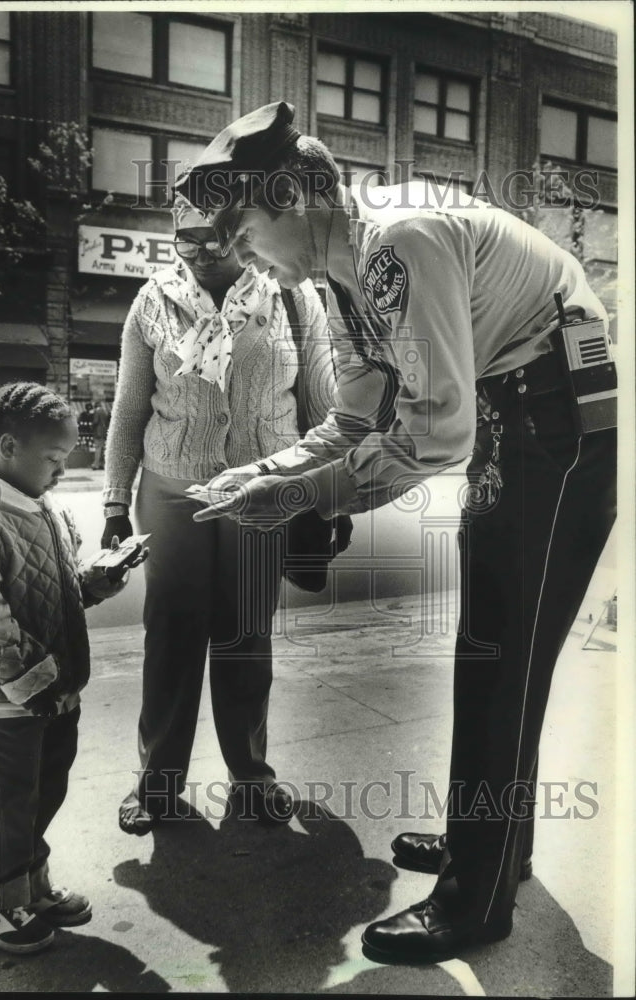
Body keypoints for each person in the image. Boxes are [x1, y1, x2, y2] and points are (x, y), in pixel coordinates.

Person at [175, 102, 617, 961]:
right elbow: (358, 417)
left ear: (295, 199)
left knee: (500, 659)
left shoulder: (395, 245)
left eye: (248, 234)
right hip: (519, 412)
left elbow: (434, 436)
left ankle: (475, 899)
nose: (248, 259)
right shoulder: (346, 274)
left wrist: (309, 501)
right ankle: (489, 848)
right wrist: (269, 475)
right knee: (493, 654)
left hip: (558, 422)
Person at [101, 194, 342, 836]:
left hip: (262, 494)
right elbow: (129, 413)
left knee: (246, 638)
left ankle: (251, 778)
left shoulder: (293, 298)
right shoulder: (151, 302)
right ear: (172, 238)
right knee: (171, 637)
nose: (204, 251)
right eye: (188, 239)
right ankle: (158, 786)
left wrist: (325, 495)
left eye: (218, 237)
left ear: (242, 233)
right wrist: (113, 503)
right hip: (173, 492)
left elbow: (321, 405)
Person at [0, 381, 147, 955]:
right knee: (9, 802)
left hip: (49, 689)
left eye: (65, 459)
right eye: (52, 459)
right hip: (6, 697)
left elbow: (56, 586)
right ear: (7, 446)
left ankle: (30, 886)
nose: (60, 470)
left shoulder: (41, 507)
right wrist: (32, 684)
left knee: (43, 790)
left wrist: (94, 584)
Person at [91, 400, 109, 469]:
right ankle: (102, 464)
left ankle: (96, 465)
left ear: (95, 406)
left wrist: (91, 426)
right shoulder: (104, 411)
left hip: (98, 432)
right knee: (102, 449)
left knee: (97, 448)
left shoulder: (97, 411)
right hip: (104, 432)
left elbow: (95, 421)